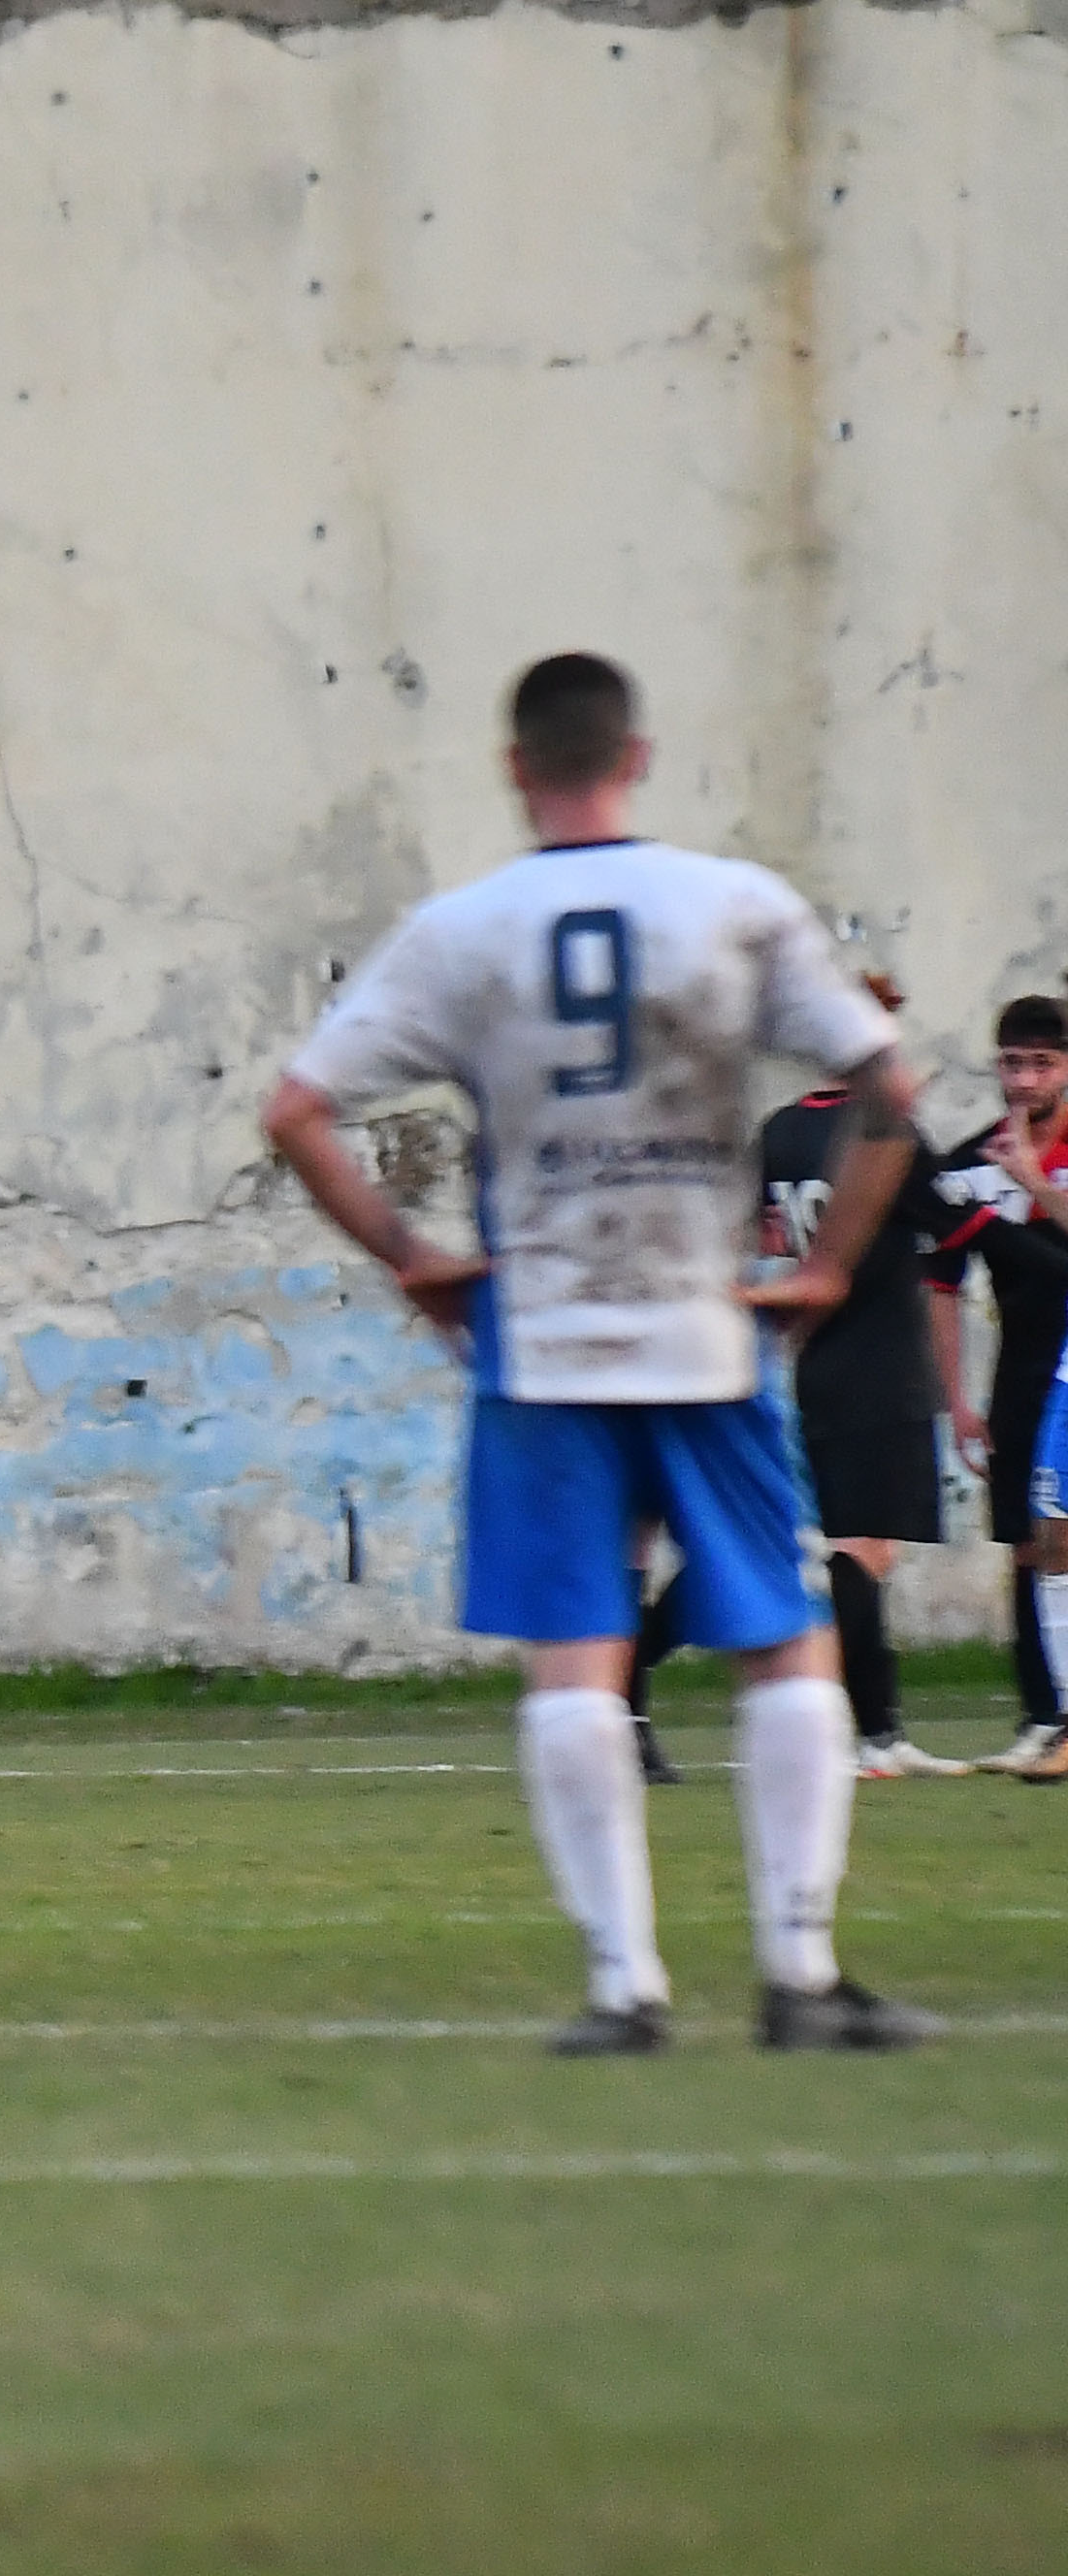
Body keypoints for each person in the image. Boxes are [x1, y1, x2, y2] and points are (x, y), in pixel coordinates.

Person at [261, 652, 935, 2052]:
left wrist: (412, 1256)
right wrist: (826, 1264)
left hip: (543, 1338)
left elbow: (297, 1108)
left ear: (518, 769)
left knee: (576, 1659)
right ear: (635, 755)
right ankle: (799, 1972)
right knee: (787, 1641)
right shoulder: (733, 905)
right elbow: (893, 1088)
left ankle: (626, 1988)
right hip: (704, 1324)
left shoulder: (466, 928)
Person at [631, 993, 991, 1779]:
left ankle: (640, 1665)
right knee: (861, 1552)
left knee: (809, 1546)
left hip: (808, 1362)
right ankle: (873, 1736)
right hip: (882, 1364)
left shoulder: (781, 1132)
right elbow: (965, 1225)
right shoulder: (881, 1136)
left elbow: (752, 1231)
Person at [949, 997, 1068, 1775]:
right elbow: (938, 1281)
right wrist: (956, 1398)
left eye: (1042, 1063)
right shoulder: (967, 1165)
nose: (1024, 1080)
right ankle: (1045, 1716)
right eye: (1012, 1062)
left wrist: (1035, 1180)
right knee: (1036, 1544)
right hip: (1028, 1376)